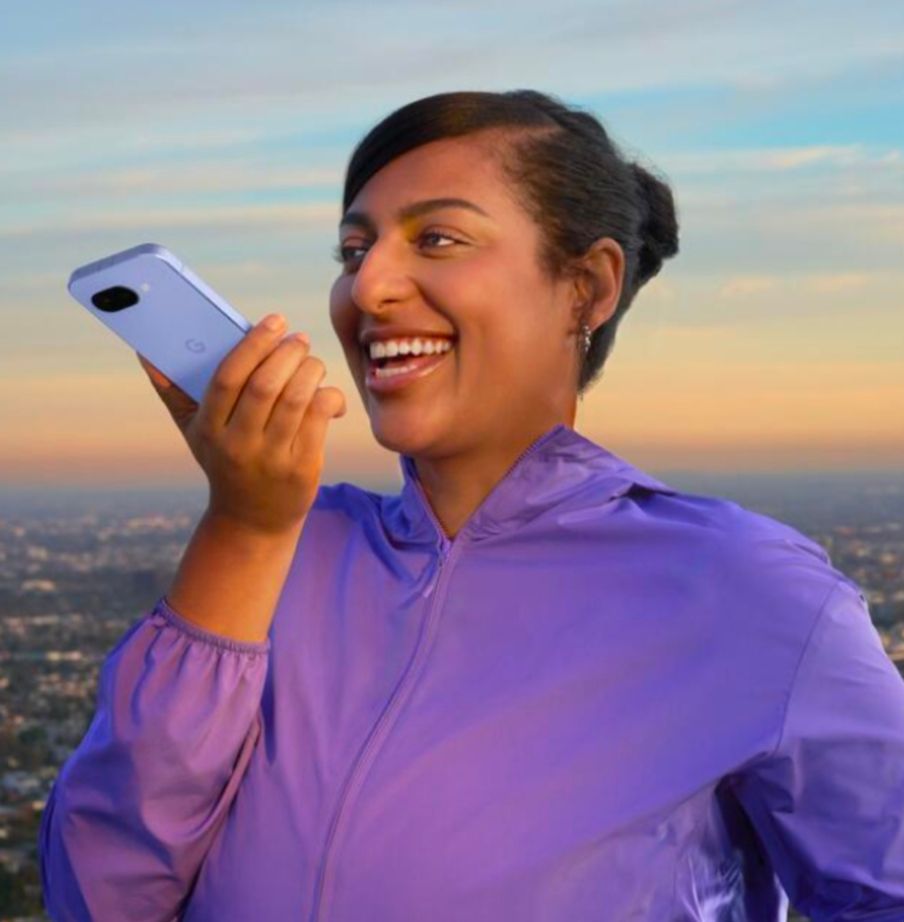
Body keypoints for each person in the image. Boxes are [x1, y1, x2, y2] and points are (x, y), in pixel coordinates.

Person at [38, 89, 904, 921]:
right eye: (352, 250)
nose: (368, 287)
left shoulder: (745, 592)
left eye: (439, 238)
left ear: (588, 288)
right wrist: (244, 528)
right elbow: (101, 898)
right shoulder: (282, 552)